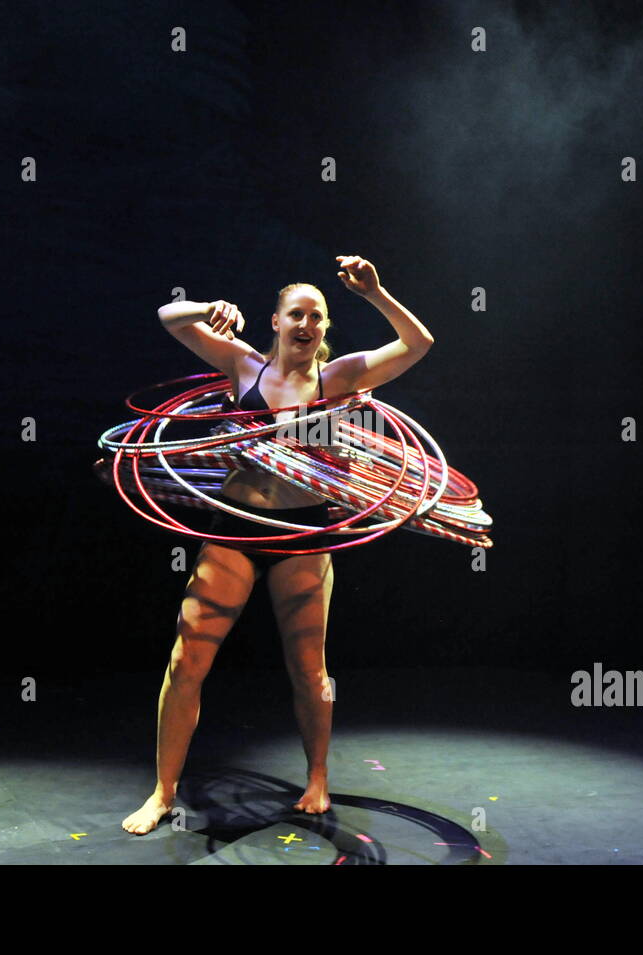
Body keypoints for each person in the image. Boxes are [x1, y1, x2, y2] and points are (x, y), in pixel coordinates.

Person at [121, 255, 434, 834]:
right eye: (296, 313)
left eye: (317, 315)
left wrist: (377, 293)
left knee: (310, 670)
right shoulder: (243, 367)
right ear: (275, 321)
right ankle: (163, 793)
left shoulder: (338, 378)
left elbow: (418, 344)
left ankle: (317, 780)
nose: (306, 323)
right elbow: (169, 317)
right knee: (187, 659)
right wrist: (207, 308)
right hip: (236, 530)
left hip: (302, 533)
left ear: (323, 329)